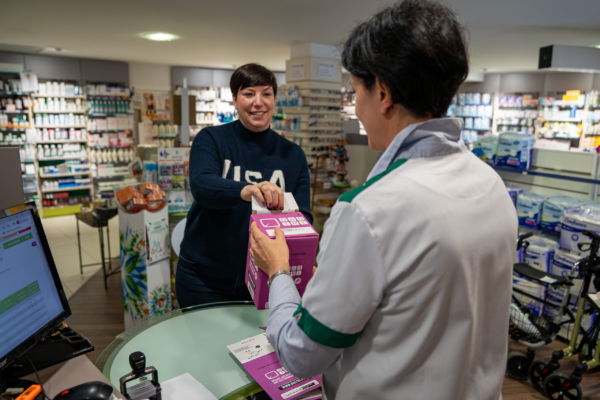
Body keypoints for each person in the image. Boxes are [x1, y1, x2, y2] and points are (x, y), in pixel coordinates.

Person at [248, 1, 516, 399]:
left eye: (356, 91)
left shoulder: (370, 210)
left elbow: (301, 355)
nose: (355, 109)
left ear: (384, 94)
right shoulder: (490, 184)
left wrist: (280, 272)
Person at [176, 63, 313, 308]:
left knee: (259, 344)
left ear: (274, 100)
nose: (258, 102)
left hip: (266, 277)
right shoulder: (211, 139)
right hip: (204, 277)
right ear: (235, 100)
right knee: (203, 344)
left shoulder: (293, 155)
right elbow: (202, 185)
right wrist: (246, 190)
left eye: (266, 94)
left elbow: (303, 216)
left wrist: (303, 256)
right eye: (248, 93)